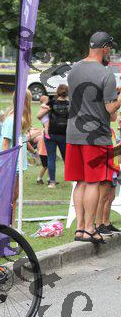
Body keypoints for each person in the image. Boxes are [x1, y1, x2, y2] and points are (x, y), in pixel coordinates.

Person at [65, 31, 121, 244]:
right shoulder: (106, 74)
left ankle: (80, 228)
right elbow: (110, 109)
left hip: (73, 133)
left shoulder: (74, 69)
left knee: (80, 182)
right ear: (105, 48)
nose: (110, 52)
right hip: (95, 136)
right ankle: (90, 228)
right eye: (110, 48)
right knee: (93, 182)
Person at [0, 90, 33, 226]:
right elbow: (5, 144)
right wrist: (5, 165)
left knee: (14, 196)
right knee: (8, 197)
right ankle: (4, 224)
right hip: (10, 165)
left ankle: (11, 224)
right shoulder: (12, 120)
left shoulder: (20, 120)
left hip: (18, 164)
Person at [38, 84, 69, 188]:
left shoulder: (52, 102)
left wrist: (48, 108)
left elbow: (40, 113)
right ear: (67, 93)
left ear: (57, 92)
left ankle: (52, 182)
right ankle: (73, 179)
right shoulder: (69, 104)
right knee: (67, 158)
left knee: (51, 158)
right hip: (64, 135)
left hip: (50, 134)